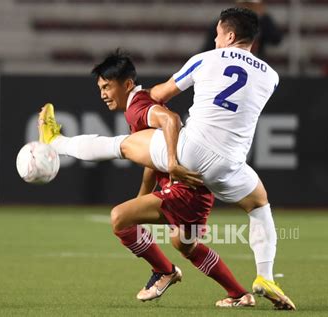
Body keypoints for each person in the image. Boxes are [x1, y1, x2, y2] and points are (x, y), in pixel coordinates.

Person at [39, 8, 296, 310]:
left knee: (122, 145)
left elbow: (161, 95)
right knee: (259, 205)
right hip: (229, 164)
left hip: (190, 152)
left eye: (217, 34)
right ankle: (265, 276)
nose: (214, 40)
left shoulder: (205, 59)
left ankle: (57, 141)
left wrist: (138, 98)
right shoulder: (271, 76)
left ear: (228, 35)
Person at [201, 0, 283, 59]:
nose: (248, 8)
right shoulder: (223, 23)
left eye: (251, 6)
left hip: (255, 63)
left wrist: (263, 19)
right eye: (245, 5)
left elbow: (276, 40)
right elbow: (208, 48)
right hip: (226, 63)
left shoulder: (263, 21)